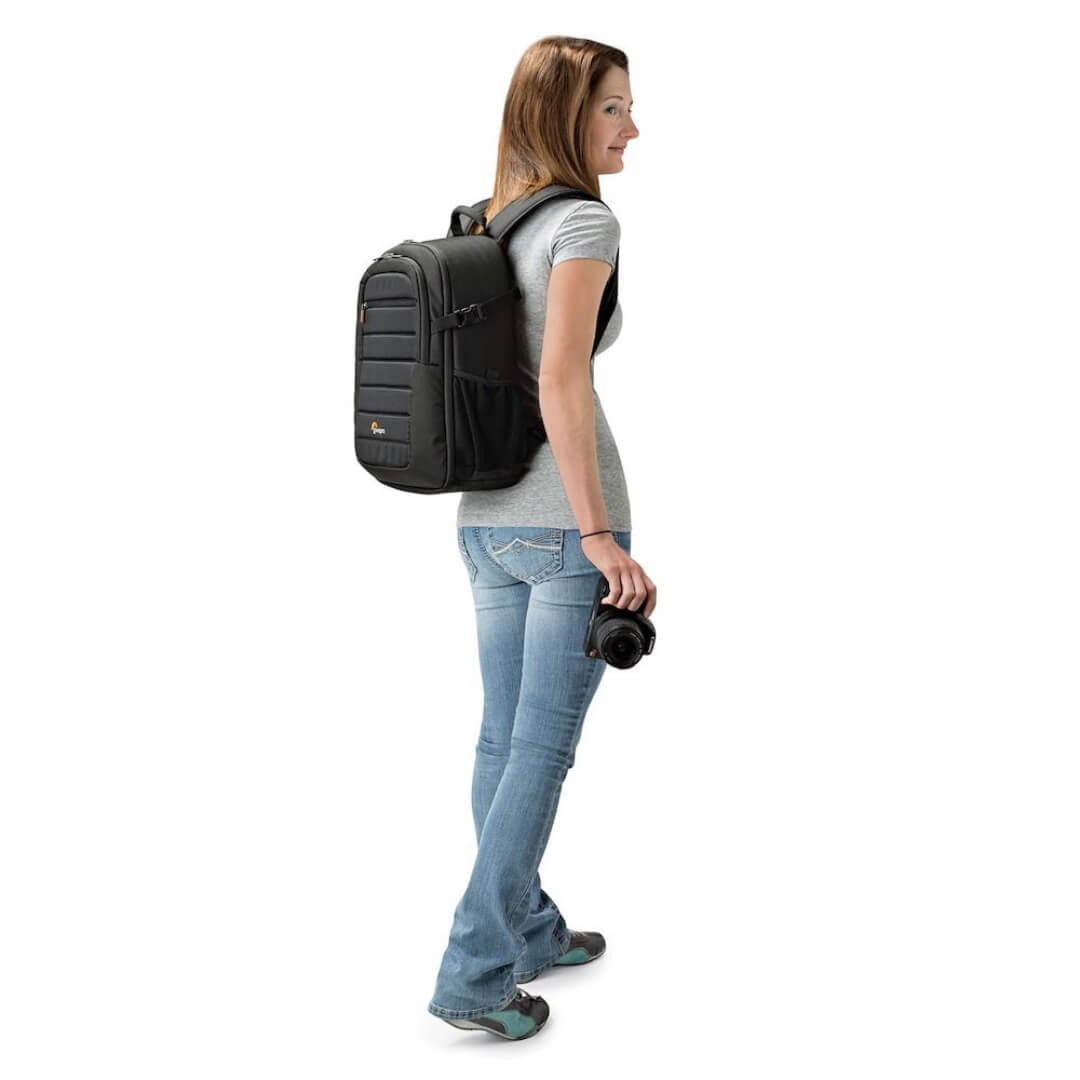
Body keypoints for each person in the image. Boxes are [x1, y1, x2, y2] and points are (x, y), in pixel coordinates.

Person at [427, 36, 656, 1041]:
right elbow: (563, 376)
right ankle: (476, 975)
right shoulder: (582, 223)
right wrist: (601, 534)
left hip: (485, 522)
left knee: (501, 740)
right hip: (563, 528)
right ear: (569, 113)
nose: (632, 127)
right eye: (614, 107)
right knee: (538, 751)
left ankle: (528, 930)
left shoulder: (487, 223)